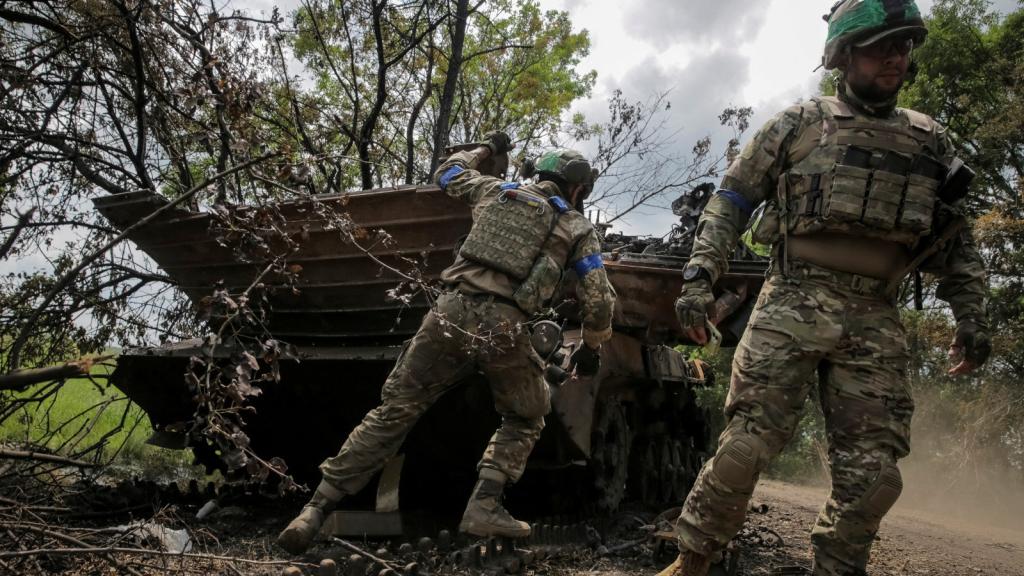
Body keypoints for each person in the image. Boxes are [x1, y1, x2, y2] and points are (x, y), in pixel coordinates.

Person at [662, 1, 991, 575]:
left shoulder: (931, 142)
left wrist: (972, 318)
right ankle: (693, 560)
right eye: (881, 45)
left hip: (875, 316)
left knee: (875, 477)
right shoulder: (797, 125)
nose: (896, 56)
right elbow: (730, 201)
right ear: (843, 54)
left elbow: (957, 244)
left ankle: (837, 568)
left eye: (905, 45)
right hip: (792, 299)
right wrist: (699, 276)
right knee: (744, 451)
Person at [276, 133, 616, 555]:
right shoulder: (576, 226)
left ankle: (314, 509)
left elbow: (447, 172)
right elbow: (599, 301)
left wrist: (488, 149)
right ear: (578, 189)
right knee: (527, 415)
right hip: (504, 327)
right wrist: (592, 345)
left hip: (448, 313)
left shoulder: (495, 191)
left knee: (393, 412)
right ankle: (485, 505)